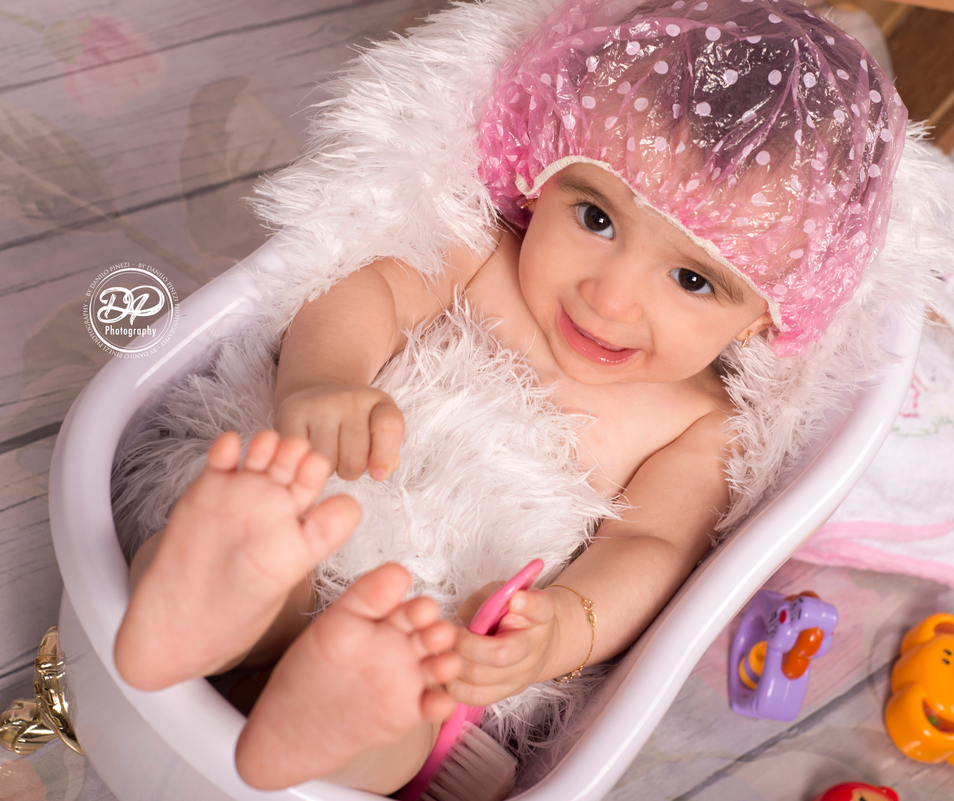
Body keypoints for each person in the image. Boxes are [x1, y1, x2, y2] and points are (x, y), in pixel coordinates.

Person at [112, 0, 906, 794]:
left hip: (433, 634)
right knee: (260, 538)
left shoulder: (699, 424)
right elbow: (371, 292)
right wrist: (325, 381)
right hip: (319, 520)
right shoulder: (484, 253)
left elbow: (651, 550)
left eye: (693, 279)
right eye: (595, 216)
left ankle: (333, 718)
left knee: (408, 697)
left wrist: (563, 627)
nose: (611, 296)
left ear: (772, 312)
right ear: (543, 169)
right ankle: (211, 603)